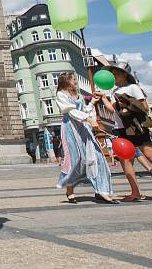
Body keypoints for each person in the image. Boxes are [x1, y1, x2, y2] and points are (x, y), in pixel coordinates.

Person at [98, 62, 152, 202]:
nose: (113, 76)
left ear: (124, 74)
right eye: (112, 74)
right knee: (125, 161)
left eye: (116, 73)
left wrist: (127, 104)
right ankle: (135, 192)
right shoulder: (114, 91)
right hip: (122, 128)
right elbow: (114, 111)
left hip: (136, 127)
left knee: (150, 155)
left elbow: (143, 106)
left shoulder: (133, 88)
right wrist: (103, 98)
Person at [54, 73, 117, 204]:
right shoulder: (61, 94)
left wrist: (93, 102)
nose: (76, 81)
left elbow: (85, 110)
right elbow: (71, 112)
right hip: (71, 129)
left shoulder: (79, 96)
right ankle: (69, 190)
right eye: (73, 79)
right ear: (66, 81)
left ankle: (101, 191)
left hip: (83, 128)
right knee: (75, 160)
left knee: (97, 157)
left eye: (76, 79)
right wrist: (87, 119)